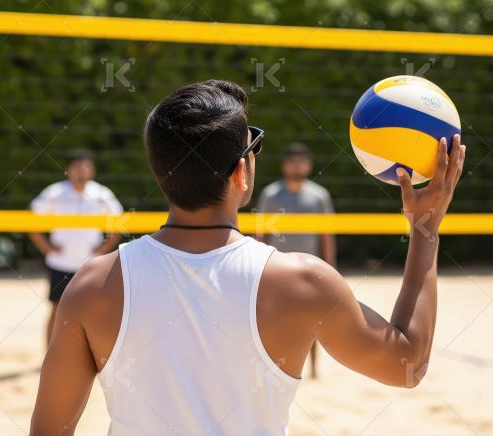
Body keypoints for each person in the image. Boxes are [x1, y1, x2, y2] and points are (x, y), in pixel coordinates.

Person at [30, 80, 466, 435]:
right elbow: (407, 366)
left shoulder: (92, 285)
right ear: (241, 172)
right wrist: (425, 228)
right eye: (253, 145)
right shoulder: (302, 282)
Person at [256, 142, 336, 378]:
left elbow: (327, 235)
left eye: (301, 161)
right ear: (284, 166)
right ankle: (275, 366)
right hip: (275, 269)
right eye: (292, 161)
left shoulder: (319, 196)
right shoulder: (270, 195)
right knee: (273, 321)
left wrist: (330, 268)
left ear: (309, 165)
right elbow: (261, 234)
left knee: (311, 321)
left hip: (309, 270)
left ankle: (312, 371)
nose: (297, 166)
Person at [28, 149, 123, 346]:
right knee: (56, 309)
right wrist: (46, 247)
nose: (81, 171)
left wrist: (103, 250)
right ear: (67, 171)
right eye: (76, 167)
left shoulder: (101, 194)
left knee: (94, 310)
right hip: (60, 263)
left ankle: (92, 355)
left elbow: (120, 224)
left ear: (92, 170)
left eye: (85, 167)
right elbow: (30, 221)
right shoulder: (54, 193)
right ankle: (49, 353)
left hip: (90, 265)